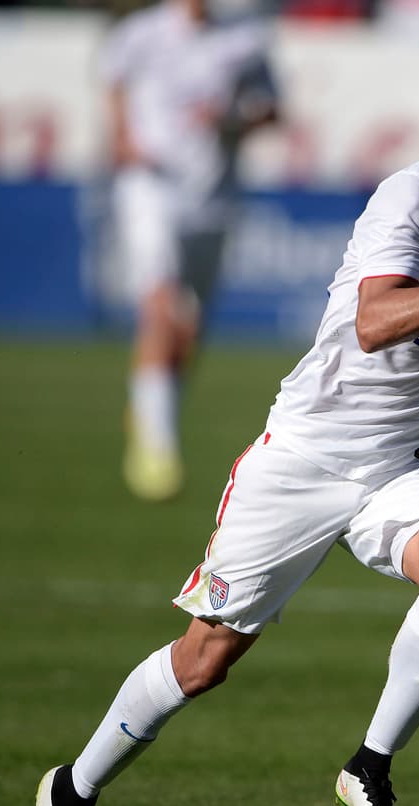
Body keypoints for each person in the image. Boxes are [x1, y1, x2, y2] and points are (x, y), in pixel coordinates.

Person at [15, 59, 419, 806]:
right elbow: (376, 322)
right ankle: (73, 789)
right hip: (303, 458)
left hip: (402, 469)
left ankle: (369, 768)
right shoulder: (408, 199)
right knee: (204, 662)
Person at [102, 0, 281, 501]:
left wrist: (232, 120)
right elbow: (112, 79)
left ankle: (151, 408)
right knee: (159, 306)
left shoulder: (246, 39)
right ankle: (157, 448)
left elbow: (271, 109)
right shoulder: (141, 33)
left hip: (213, 195)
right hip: (150, 186)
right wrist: (121, 136)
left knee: (189, 324)